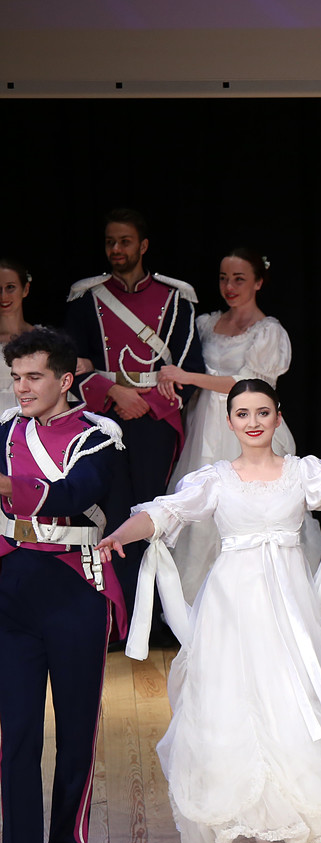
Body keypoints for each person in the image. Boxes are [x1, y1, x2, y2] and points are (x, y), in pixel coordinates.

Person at [96, 379, 321, 843]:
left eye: (262, 412)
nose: (253, 422)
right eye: (243, 413)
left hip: (287, 612)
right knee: (240, 716)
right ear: (229, 421)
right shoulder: (215, 479)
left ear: (278, 417)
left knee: (293, 713)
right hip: (231, 611)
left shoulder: (300, 471)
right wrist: (122, 532)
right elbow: (165, 513)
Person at [0, 327, 128, 843]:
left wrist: (8, 485)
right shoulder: (4, 431)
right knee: (16, 734)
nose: (22, 388)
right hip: (12, 588)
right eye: (16, 378)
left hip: (76, 589)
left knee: (76, 729)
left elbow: (76, 494)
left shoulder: (99, 437)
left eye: (34, 377)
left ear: (65, 379)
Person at [161, 248, 321, 601]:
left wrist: (189, 377)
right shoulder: (207, 324)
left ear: (258, 282)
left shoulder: (267, 332)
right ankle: (202, 604)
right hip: (205, 425)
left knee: (249, 509)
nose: (229, 287)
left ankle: (259, 601)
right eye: (224, 279)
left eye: (239, 279)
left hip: (246, 424)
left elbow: (250, 384)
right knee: (202, 509)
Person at [63, 208, 202, 602]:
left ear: (143, 246)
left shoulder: (177, 299)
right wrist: (114, 392)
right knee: (107, 507)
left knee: (149, 510)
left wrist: (147, 404)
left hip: (155, 419)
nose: (116, 249)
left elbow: (189, 367)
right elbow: (69, 366)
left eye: (124, 242)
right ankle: (112, 609)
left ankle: (149, 611)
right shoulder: (86, 298)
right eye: (110, 242)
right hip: (101, 417)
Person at [0, 257, 34, 414]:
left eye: (10, 287)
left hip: (33, 424)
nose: (3, 296)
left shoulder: (46, 340)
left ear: (25, 289)